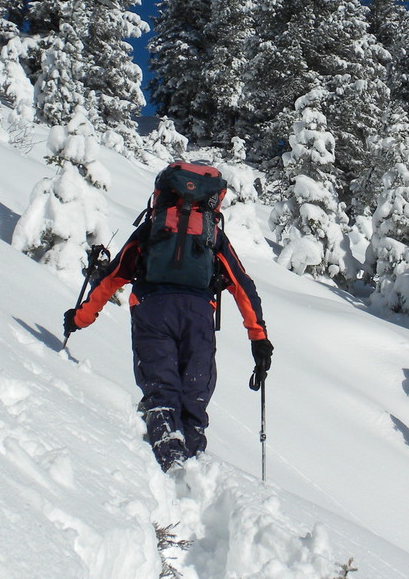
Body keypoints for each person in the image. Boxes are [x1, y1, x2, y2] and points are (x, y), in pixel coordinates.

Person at [63, 165, 271, 472]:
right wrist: (259, 338)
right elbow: (243, 286)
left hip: (152, 308)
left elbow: (111, 278)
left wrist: (80, 319)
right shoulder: (213, 235)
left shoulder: (152, 228)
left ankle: (169, 456)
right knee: (194, 389)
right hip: (198, 313)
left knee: (161, 385)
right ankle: (194, 457)